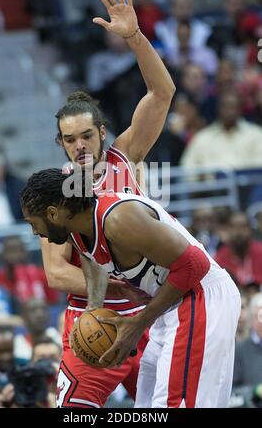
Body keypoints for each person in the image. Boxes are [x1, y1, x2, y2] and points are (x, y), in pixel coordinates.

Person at [40, 0, 175, 408]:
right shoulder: (56, 193)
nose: (78, 145)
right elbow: (56, 274)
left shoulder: (127, 155)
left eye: (85, 135)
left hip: (150, 321)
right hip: (93, 319)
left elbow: (162, 93)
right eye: (68, 139)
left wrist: (134, 37)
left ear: (101, 133)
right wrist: (126, 284)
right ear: (60, 144)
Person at [21, 168, 241, 408]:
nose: (35, 232)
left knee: (173, 404)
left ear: (53, 214)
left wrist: (139, 323)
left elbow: (195, 265)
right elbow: (91, 260)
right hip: (171, 303)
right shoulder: (76, 229)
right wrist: (94, 309)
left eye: (34, 223)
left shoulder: (118, 219)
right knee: (146, 405)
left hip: (200, 296)